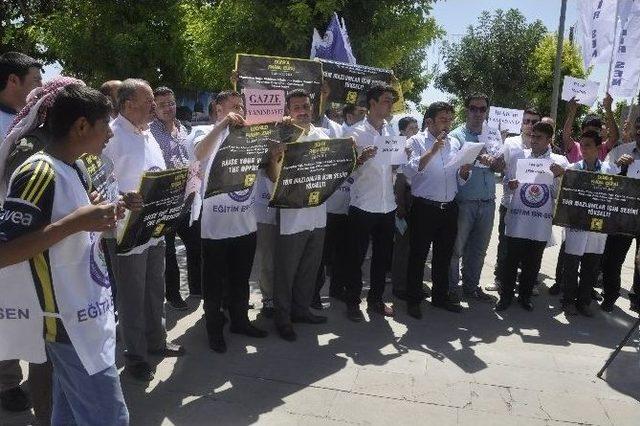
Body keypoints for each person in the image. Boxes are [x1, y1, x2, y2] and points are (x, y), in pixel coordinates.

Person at [0, 84, 129, 425]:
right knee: (109, 418)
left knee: (69, 415)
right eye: (106, 125)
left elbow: (76, 230)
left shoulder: (76, 166)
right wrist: (76, 223)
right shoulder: (37, 172)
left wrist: (104, 213)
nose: (110, 136)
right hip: (67, 324)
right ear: (82, 126)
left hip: (89, 313)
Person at [102, 78, 185, 382]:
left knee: (154, 287)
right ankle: (135, 355)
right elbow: (97, 184)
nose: (154, 106)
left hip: (154, 227)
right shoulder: (109, 136)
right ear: (127, 105)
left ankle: (157, 341)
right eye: (148, 100)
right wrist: (122, 198)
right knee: (131, 295)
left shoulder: (148, 134)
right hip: (125, 232)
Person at [195, 90, 268, 353]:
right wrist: (223, 125)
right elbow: (198, 154)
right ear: (218, 109)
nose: (240, 111)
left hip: (245, 223)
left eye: (242, 107)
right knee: (214, 282)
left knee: (240, 280)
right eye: (233, 107)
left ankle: (239, 321)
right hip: (215, 226)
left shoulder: (251, 136)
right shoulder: (205, 133)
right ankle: (214, 328)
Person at [0, 50, 42, 414]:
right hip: (5, 235)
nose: (40, 90)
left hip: (34, 232)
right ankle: (8, 382)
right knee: (6, 309)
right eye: (35, 83)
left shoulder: (31, 124)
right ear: (12, 81)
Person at [404, 102, 472, 319]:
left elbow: (459, 181)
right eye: (444, 119)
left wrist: (464, 171)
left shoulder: (454, 142)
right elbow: (410, 171)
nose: (448, 123)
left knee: (443, 256)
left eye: (451, 119)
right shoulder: (415, 141)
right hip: (424, 208)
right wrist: (432, 151)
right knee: (418, 255)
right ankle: (413, 299)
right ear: (429, 121)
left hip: (449, 208)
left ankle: (440, 297)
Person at [495, 121, 568, 311]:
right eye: (532, 136)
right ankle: (506, 296)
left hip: (540, 222)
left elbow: (558, 196)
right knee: (510, 261)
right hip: (517, 219)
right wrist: (509, 185)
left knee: (533, 263)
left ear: (549, 140)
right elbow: (506, 183)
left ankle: (525, 296)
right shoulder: (519, 157)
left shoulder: (559, 162)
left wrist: (559, 177)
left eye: (539, 137)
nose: (533, 140)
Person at [343, 84, 399, 322]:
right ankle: (352, 302)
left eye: (391, 101)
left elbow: (395, 167)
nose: (390, 105)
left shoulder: (392, 132)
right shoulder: (355, 134)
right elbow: (344, 170)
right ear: (372, 104)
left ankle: (376, 300)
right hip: (363, 206)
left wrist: (399, 159)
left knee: (382, 258)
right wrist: (359, 160)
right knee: (354, 258)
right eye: (386, 100)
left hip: (387, 206)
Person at [150, 86, 202, 310]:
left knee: (196, 245)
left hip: (190, 199)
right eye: (162, 105)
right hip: (166, 201)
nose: (168, 108)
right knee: (168, 252)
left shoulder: (186, 128)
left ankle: (197, 288)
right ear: (154, 108)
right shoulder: (149, 133)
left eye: (170, 103)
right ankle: (173, 295)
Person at [448, 93, 501, 302]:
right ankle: (452, 289)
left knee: (479, 250)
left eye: (482, 109)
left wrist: (498, 164)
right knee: (456, 249)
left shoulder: (494, 135)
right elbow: (453, 162)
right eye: (473, 108)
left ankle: (471, 287)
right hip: (464, 201)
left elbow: (499, 166)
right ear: (466, 109)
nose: (477, 113)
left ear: (486, 111)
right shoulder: (457, 135)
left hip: (488, 202)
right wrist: (477, 155)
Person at [489, 108, 541, 291]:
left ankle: (527, 283)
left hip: (534, 206)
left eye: (534, 122)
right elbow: (498, 167)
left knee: (529, 246)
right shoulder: (510, 142)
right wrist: (497, 160)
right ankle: (500, 280)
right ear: (520, 123)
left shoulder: (545, 146)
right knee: (505, 244)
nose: (530, 125)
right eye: (526, 121)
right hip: (510, 203)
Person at [561, 130, 610, 317]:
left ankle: (584, 302)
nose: (583, 148)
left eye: (588, 145)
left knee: (591, 265)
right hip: (577, 224)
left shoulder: (608, 170)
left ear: (598, 148)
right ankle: (568, 301)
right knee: (571, 265)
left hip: (598, 225)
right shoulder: (573, 169)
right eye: (581, 144)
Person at [600, 115, 640, 313]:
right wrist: (619, 168)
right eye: (639, 127)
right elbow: (603, 177)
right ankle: (610, 295)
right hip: (622, 216)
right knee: (612, 259)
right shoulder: (620, 151)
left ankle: (637, 298)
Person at [391, 116, 421, 301]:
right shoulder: (400, 147)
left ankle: (413, 284)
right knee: (403, 245)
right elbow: (399, 178)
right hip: (404, 197)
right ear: (402, 131)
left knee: (415, 245)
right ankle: (399, 285)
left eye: (417, 128)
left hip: (418, 197)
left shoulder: (416, 145)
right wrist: (400, 205)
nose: (416, 131)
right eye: (411, 128)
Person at [562, 93, 618, 163]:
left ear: (600, 131)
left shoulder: (603, 148)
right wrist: (572, 112)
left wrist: (608, 109)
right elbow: (566, 136)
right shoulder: (575, 147)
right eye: (588, 129)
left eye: (595, 129)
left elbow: (614, 137)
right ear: (582, 131)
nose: (591, 132)